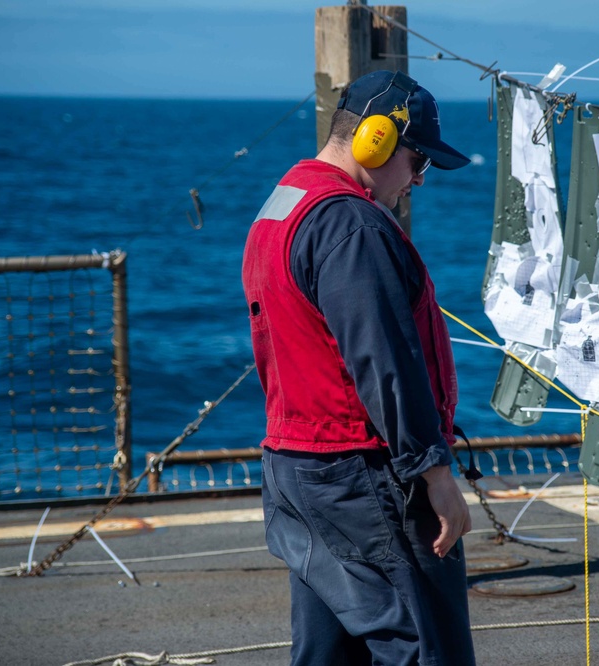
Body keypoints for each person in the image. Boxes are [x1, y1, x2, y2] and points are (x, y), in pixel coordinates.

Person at [241, 69, 476, 665]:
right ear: (376, 140)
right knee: (425, 646)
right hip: (361, 476)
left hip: (296, 470)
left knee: (329, 654)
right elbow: (383, 359)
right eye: (418, 162)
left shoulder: (283, 203)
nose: (418, 181)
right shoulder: (352, 225)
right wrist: (436, 475)